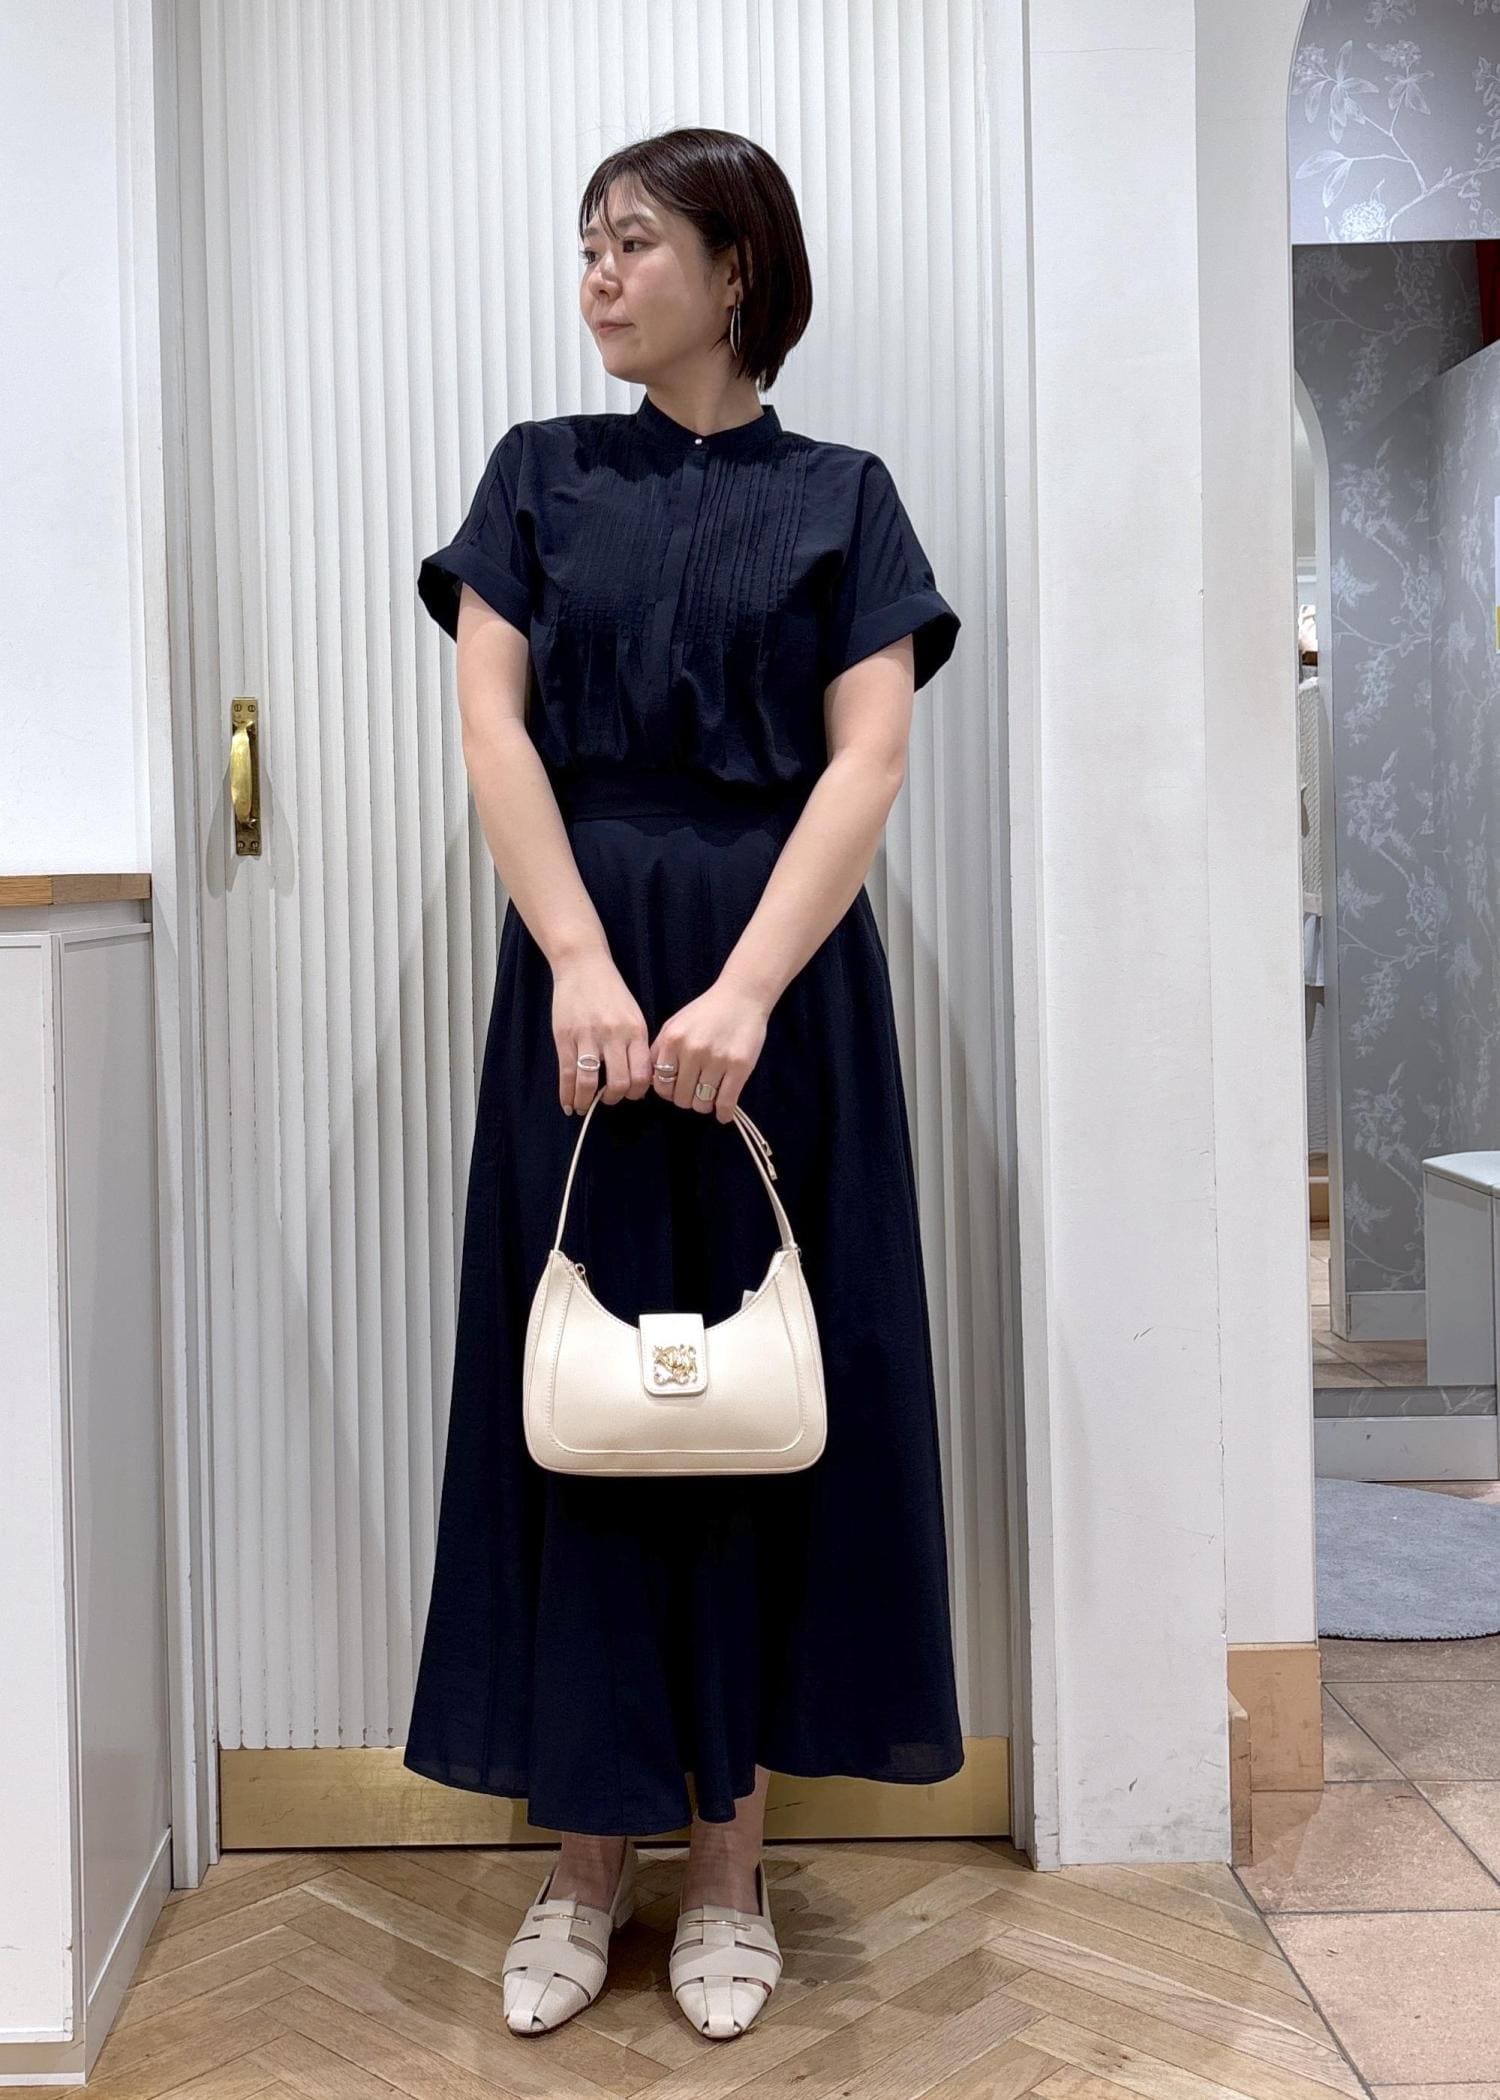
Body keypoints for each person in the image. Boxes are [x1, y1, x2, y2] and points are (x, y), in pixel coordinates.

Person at [405, 125, 965, 2042]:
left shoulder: (844, 495)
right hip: (579, 980)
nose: (598, 275)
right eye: (587, 243)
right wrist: (580, 958)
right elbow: (492, 723)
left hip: (777, 998)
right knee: (584, 1394)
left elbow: (867, 761)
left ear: (738, 270)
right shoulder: (538, 474)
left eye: (634, 242)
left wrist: (741, 990)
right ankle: (584, 1863)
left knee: (755, 1402)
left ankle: (729, 1863)